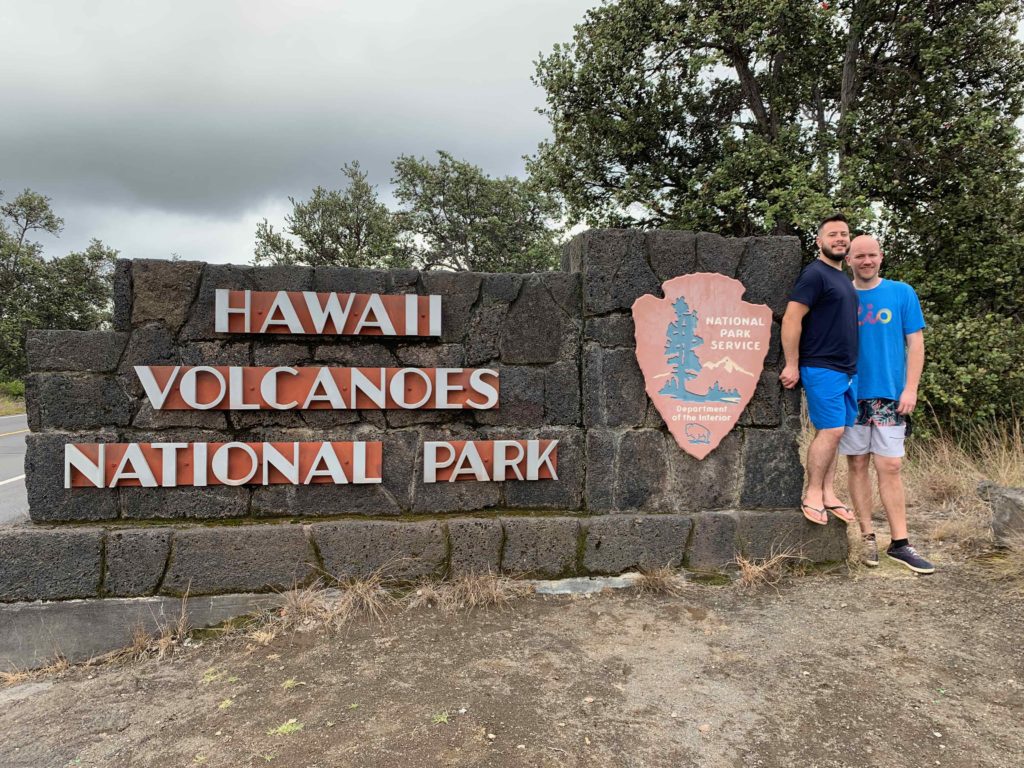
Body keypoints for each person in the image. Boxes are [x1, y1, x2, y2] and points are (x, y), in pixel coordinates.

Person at [840, 235, 934, 573]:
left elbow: (916, 344)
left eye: (872, 255)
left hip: (890, 395)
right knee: (856, 465)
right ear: (848, 259)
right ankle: (867, 535)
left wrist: (911, 388)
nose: (866, 261)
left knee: (890, 466)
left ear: (881, 257)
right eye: (859, 256)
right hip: (852, 394)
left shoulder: (901, 293)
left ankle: (900, 543)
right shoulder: (840, 294)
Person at [780, 213, 859, 526]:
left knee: (836, 432)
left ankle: (828, 492)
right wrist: (791, 363)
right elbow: (791, 318)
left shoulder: (842, 277)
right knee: (831, 430)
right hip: (821, 365)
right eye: (832, 234)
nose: (839, 239)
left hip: (846, 370)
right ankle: (812, 493)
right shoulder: (815, 274)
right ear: (819, 241)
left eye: (844, 234)